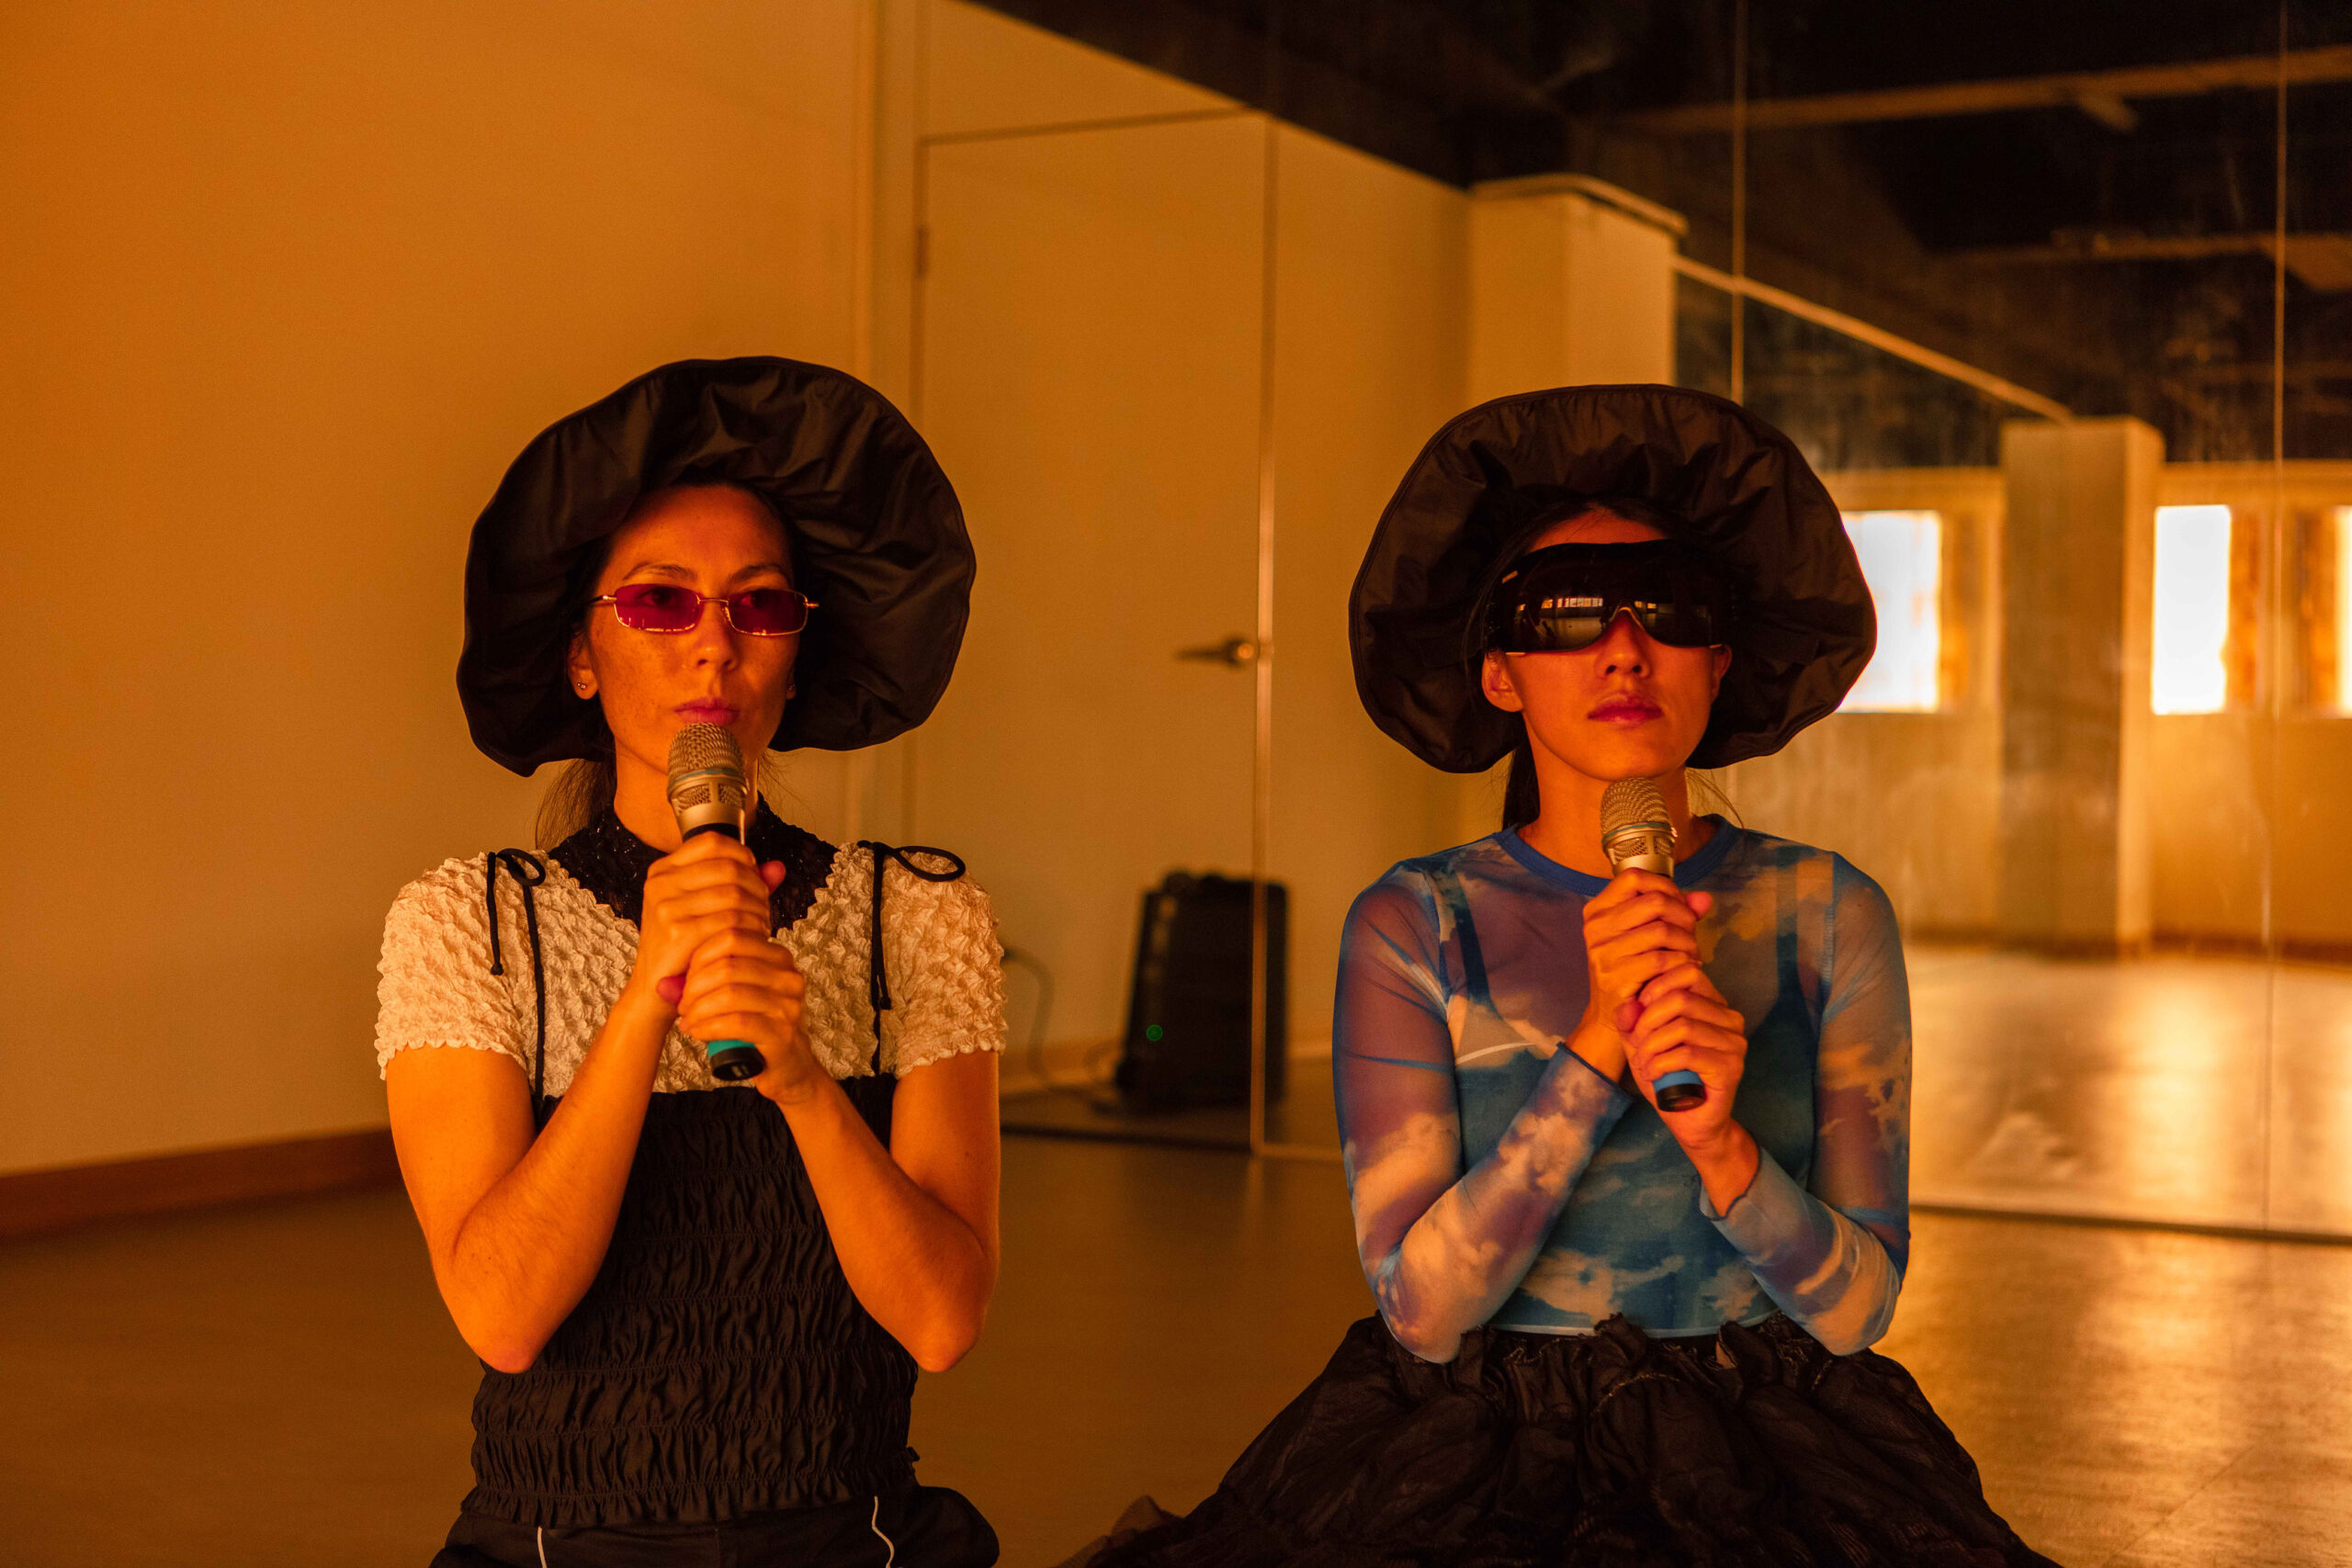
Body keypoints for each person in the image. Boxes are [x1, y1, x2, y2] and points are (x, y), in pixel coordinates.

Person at [1073, 386, 2056, 1565]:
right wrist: (1595, 1048)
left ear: (1720, 661)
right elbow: (1423, 1315)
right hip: (1477, 1462)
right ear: (1499, 675)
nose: (1623, 648)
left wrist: (1721, 1149)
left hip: (1768, 1453)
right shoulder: (1417, 922)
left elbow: (1855, 1308)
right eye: (1564, 615)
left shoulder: (1826, 913)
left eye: (1667, 609)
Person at [376, 357, 1004, 1567]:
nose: (713, 645)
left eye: (760, 606)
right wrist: (641, 1000)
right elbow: (503, 1315)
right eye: (661, 603)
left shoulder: (911, 914)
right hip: (562, 1542)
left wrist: (808, 1082)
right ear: (580, 654)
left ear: (795, 657)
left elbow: (940, 1319)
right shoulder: (474, 921)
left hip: (849, 1535)